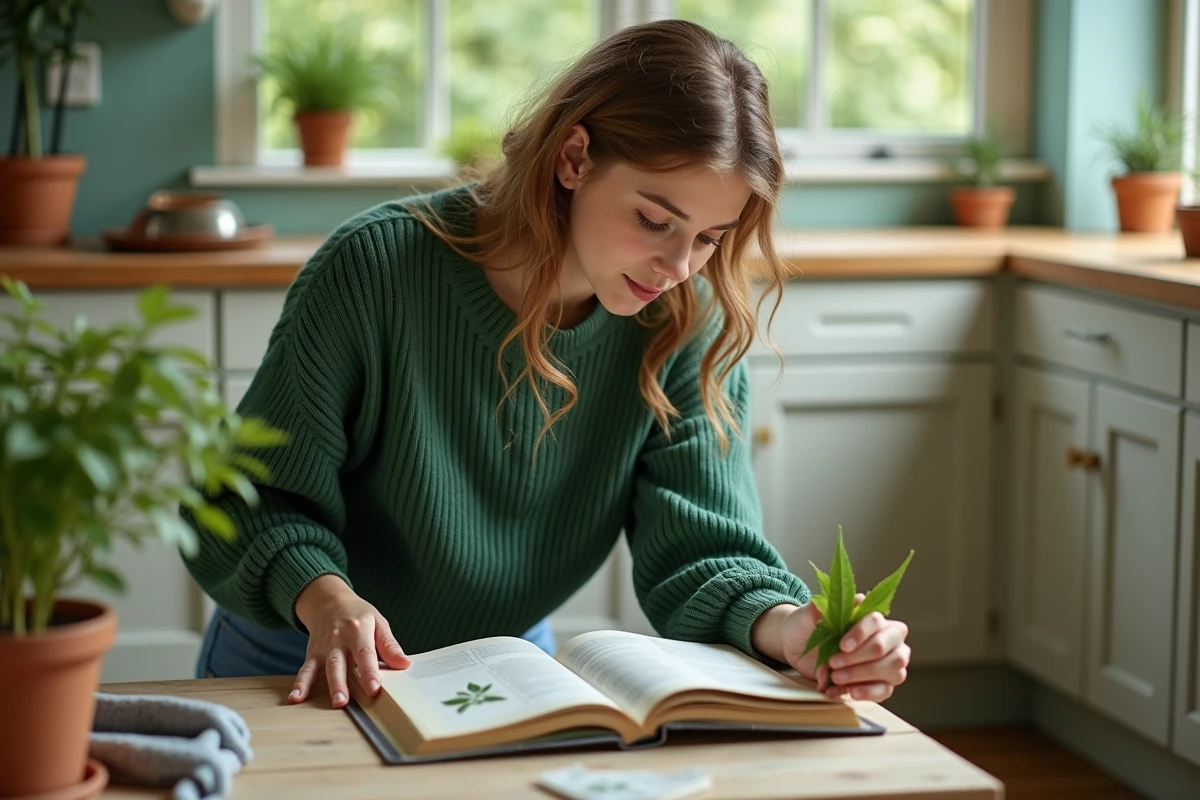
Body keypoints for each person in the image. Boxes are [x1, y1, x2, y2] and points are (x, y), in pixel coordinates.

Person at [183, 18, 911, 711]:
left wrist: (791, 629)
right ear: (574, 158)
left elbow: (704, 548)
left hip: (500, 659)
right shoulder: (374, 270)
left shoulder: (687, 320)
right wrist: (327, 599)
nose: (678, 267)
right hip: (304, 652)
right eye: (654, 220)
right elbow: (245, 501)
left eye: (708, 238)